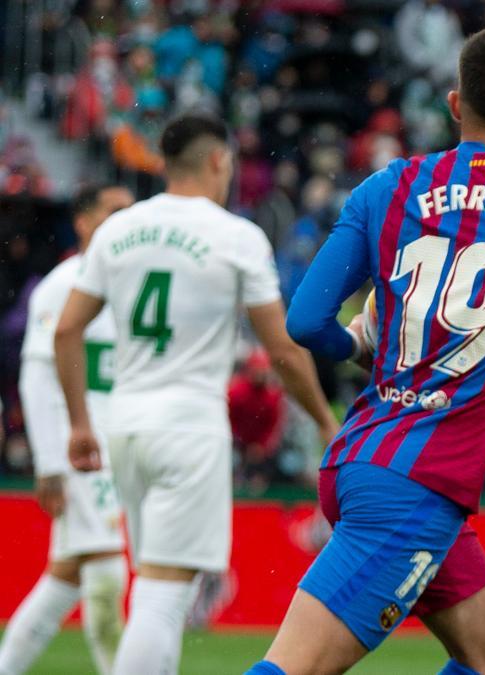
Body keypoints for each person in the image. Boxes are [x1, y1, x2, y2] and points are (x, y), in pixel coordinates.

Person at [248, 25, 485, 675]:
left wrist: (364, 348)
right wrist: (480, 379)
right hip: (416, 485)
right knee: (293, 667)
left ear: (452, 104)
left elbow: (304, 320)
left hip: (368, 455)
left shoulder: (388, 185)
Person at [54, 113, 339, 675]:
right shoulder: (236, 236)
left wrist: (80, 423)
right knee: (164, 596)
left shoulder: (118, 229)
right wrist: (327, 424)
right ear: (216, 161)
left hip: (125, 426)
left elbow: (66, 329)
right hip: (189, 428)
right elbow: (281, 350)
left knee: (156, 588)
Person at [0, 184, 133, 675]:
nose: (126, 220)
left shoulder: (131, 285)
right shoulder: (65, 284)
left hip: (114, 448)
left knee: (65, 577)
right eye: (114, 211)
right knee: (104, 574)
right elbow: (36, 377)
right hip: (79, 451)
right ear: (83, 221)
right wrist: (50, 463)